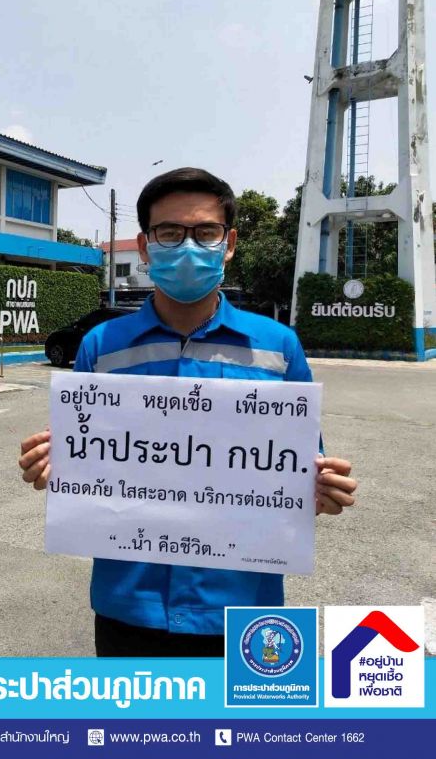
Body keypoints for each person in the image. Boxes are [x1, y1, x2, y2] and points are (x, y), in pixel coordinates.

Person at [19, 167, 357, 658]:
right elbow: (88, 457)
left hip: (245, 607)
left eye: (206, 232)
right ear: (144, 246)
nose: (189, 246)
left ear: (229, 243)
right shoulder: (101, 346)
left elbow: (300, 467)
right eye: (170, 233)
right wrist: (53, 464)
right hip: (129, 605)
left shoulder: (279, 347)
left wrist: (323, 487)